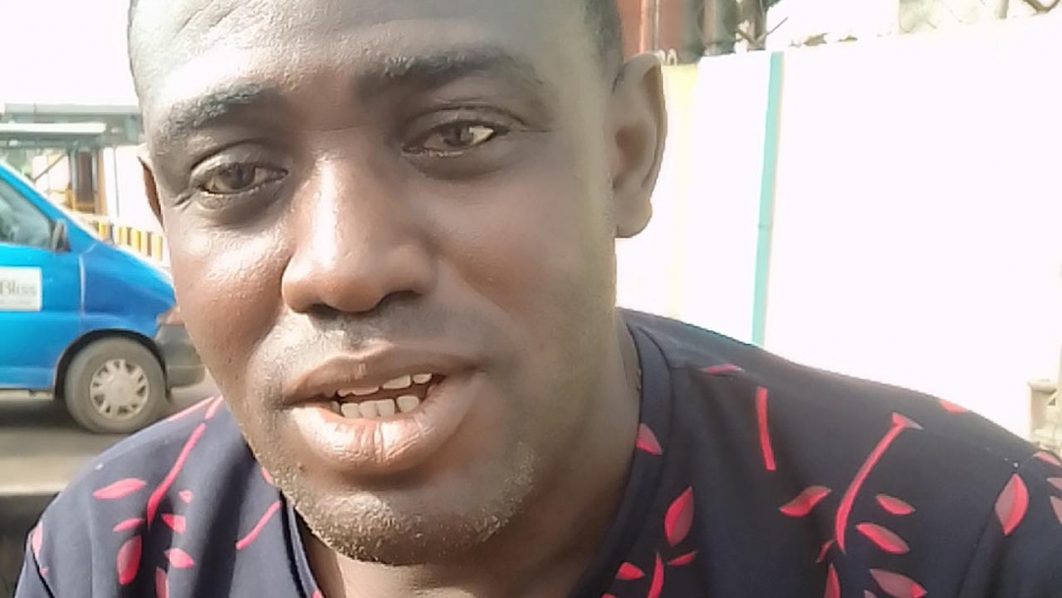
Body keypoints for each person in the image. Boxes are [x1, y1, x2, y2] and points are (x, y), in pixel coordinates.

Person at [15, 0, 1062, 596]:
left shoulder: (970, 549)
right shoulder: (113, 556)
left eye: (460, 132)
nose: (343, 266)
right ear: (165, 214)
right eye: (235, 173)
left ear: (626, 153)